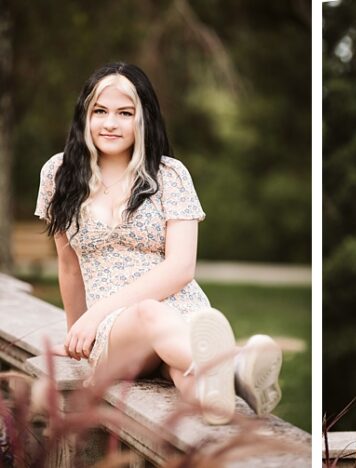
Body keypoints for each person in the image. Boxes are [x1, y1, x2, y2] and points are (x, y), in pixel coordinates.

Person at [35, 62, 282, 425]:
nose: (109, 123)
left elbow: (181, 268)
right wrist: (80, 332)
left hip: (182, 316)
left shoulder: (170, 175)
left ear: (144, 118)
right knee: (149, 312)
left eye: (124, 113)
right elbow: (69, 266)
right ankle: (235, 365)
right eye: (100, 111)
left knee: (187, 376)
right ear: (84, 115)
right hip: (115, 329)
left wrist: (91, 318)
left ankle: (219, 397)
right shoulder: (58, 174)